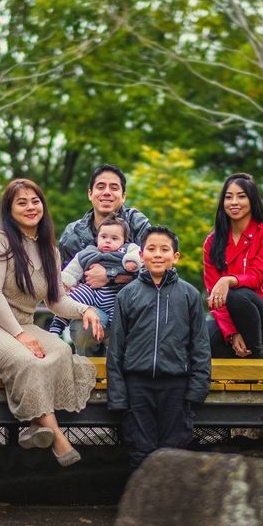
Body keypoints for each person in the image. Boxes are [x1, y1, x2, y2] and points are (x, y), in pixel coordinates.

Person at [0, 178, 104, 467]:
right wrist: (20, 335)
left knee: (60, 351)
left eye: (35, 201)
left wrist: (86, 309)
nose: (31, 207)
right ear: (9, 210)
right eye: (21, 202)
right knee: (26, 360)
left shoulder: (49, 249)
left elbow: (55, 301)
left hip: (21, 323)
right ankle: (58, 437)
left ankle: (36, 426)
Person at [107, 226, 211, 470]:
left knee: (175, 451)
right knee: (139, 450)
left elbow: (200, 345)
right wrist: (118, 395)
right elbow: (116, 348)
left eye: (164, 250)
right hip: (137, 385)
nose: (157, 254)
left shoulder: (189, 295)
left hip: (176, 385)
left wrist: (197, 390)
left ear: (175, 257)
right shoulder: (127, 294)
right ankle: (141, 506)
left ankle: (171, 506)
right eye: (151, 249)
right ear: (141, 254)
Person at [58, 164, 151, 355]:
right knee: (84, 329)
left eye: (114, 188)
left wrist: (110, 275)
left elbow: (154, 269)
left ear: (123, 196)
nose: (107, 192)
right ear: (90, 193)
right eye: (100, 187)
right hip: (90, 308)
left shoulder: (137, 223)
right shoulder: (72, 234)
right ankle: (90, 379)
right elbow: (66, 282)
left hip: (131, 307)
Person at [203, 172, 263, 358]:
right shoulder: (212, 242)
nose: (234, 202)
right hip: (230, 321)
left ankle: (256, 359)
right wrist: (232, 334)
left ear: (252, 200)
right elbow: (214, 297)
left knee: (237, 295)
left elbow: (256, 278)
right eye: (228, 197)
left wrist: (228, 280)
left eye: (241, 196)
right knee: (200, 335)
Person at [48, 213, 141, 337]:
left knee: (121, 317)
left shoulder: (126, 249)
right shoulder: (89, 252)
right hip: (91, 293)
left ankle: (117, 344)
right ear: (97, 238)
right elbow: (73, 269)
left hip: (115, 295)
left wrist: (132, 261)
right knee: (74, 298)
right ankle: (56, 326)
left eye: (114, 238)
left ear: (124, 240)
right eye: (104, 237)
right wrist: (64, 282)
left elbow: (137, 254)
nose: (108, 241)